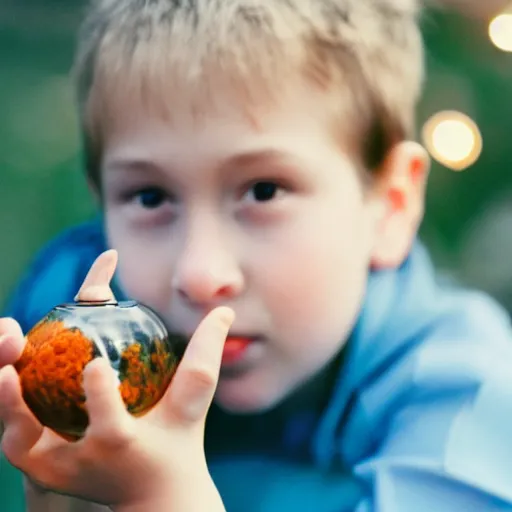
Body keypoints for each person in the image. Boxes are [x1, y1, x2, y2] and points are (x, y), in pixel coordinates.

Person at [2, 0, 512, 510]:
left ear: (391, 206)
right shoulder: (65, 329)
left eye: (264, 191)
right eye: (150, 197)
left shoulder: (473, 406)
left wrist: (158, 498)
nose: (201, 275)